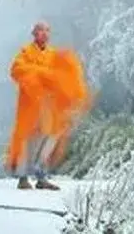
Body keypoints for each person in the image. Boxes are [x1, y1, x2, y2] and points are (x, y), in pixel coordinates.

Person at [5, 21, 93, 190]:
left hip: (49, 104)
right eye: (40, 31)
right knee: (28, 139)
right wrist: (41, 75)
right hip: (31, 103)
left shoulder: (53, 55)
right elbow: (16, 70)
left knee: (49, 137)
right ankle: (23, 178)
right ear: (34, 34)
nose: (44, 34)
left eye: (47, 31)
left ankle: (41, 176)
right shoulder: (26, 52)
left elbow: (63, 75)